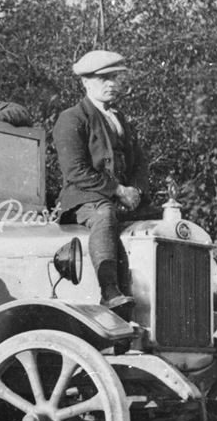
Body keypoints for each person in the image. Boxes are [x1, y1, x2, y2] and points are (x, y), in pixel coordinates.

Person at [54, 50, 149, 315]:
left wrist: (137, 192)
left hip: (119, 199)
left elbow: (140, 163)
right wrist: (118, 190)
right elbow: (75, 171)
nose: (111, 84)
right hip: (84, 201)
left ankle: (204, 293)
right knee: (104, 214)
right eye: (103, 78)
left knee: (167, 223)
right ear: (85, 82)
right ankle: (109, 291)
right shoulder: (72, 118)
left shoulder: (120, 119)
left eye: (115, 78)